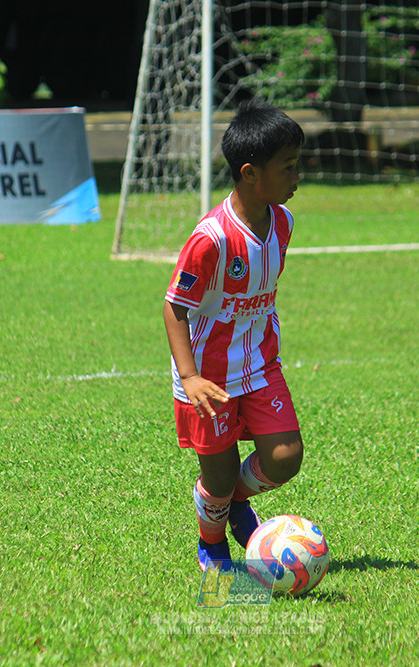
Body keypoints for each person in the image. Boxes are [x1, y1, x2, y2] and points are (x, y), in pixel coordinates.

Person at [163, 99, 306, 571]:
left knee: (285, 457)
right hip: (209, 376)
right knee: (218, 478)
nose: (297, 176)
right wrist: (190, 377)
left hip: (260, 364)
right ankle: (212, 544)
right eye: (288, 167)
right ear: (250, 173)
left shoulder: (282, 222)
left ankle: (234, 504)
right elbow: (175, 307)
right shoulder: (212, 238)